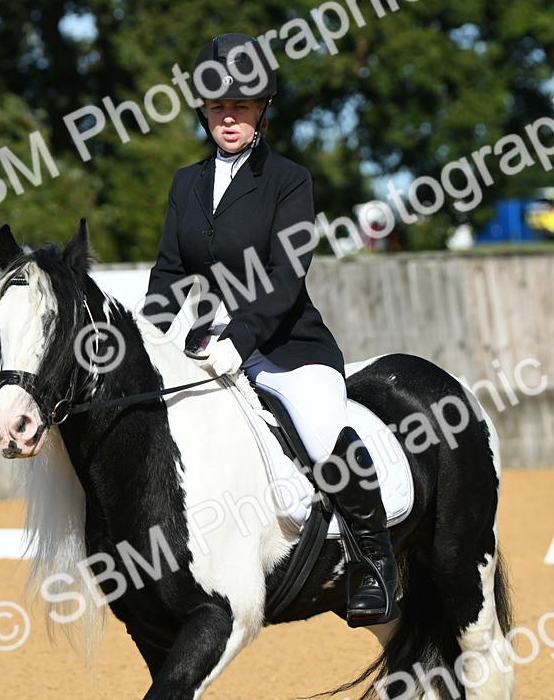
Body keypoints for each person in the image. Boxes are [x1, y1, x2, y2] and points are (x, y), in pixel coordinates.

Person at [143, 33, 399, 627]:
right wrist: (144, 342)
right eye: (217, 107)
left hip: (287, 347)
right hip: (206, 348)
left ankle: (375, 560)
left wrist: (241, 338)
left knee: (320, 433)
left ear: (261, 109)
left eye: (241, 105)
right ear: (203, 111)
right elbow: (170, 274)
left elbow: (286, 274)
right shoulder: (185, 184)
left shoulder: (289, 179)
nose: (228, 117)